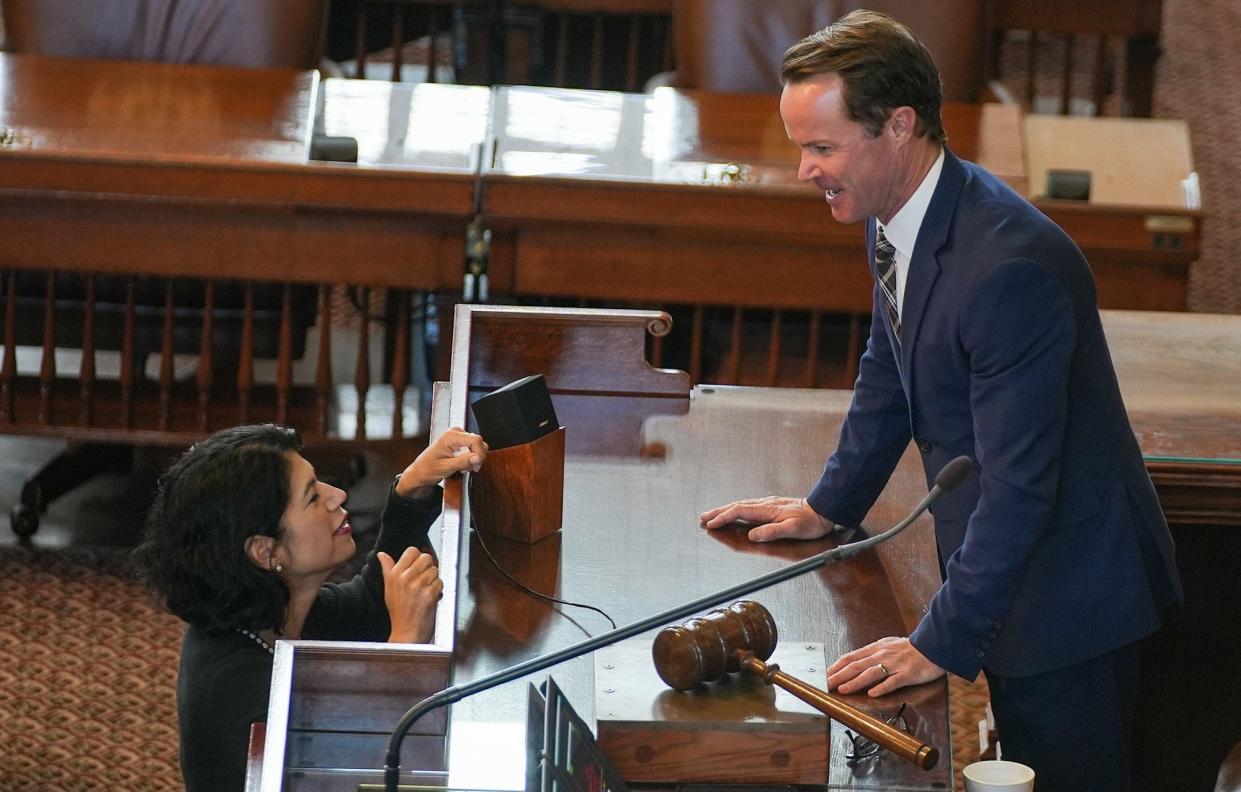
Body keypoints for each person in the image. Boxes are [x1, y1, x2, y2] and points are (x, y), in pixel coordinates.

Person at [699, 11, 1182, 791]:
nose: (803, 171)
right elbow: (889, 366)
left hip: (1069, 598)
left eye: (820, 147)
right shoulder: (898, 212)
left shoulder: (1007, 271)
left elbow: (1018, 482)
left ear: (898, 125)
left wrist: (938, 639)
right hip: (1007, 572)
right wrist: (829, 504)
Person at [135, 424, 486, 792]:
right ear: (266, 551)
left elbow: (368, 607)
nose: (337, 495)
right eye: (312, 497)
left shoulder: (269, 608)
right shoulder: (244, 696)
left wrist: (411, 491)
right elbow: (370, 774)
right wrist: (405, 651)